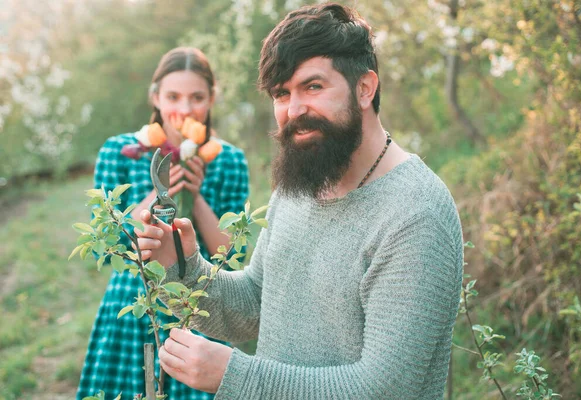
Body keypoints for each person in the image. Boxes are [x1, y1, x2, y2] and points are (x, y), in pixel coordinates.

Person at [137, 4, 463, 399]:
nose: (293, 111)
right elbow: (256, 306)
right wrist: (184, 266)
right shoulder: (302, 183)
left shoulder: (415, 213)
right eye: (281, 94)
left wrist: (233, 375)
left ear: (365, 88)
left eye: (313, 87)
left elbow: (385, 389)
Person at [76, 47, 250, 400]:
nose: (185, 109)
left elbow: (229, 256)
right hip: (134, 304)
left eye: (197, 97)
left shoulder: (229, 159)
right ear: (155, 96)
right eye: (173, 96)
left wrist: (195, 195)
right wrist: (162, 187)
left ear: (212, 98)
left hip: (199, 307)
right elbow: (113, 248)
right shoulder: (119, 151)